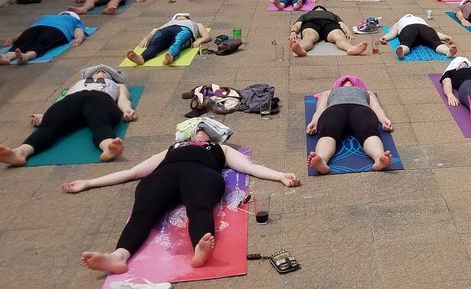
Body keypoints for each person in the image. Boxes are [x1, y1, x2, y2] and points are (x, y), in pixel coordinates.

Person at [63, 123, 300, 273]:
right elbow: (133, 172)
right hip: (166, 173)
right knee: (143, 211)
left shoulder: (221, 149)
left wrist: (280, 176)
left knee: (199, 208)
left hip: (201, 174)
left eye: (205, 129)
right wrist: (88, 183)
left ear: (213, 136)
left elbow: (249, 167)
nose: (200, 131)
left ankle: (199, 249)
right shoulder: (172, 148)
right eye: (197, 128)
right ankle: (119, 256)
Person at [0, 65, 136, 166]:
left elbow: (123, 98)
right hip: (72, 99)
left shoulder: (117, 85)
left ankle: (107, 146)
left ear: (111, 76)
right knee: (49, 125)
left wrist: (127, 110)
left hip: (100, 99)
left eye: (105, 71)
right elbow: (62, 100)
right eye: (97, 71)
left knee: (100, 122)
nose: (101, 72)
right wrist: (45, 116)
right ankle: (20, 152)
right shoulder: (77, 84)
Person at [306, 76, 394, 174]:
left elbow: (376, 107)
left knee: (369, 132)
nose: (347, 80)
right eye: (343, 80)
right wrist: (314, 121)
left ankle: (379, 158)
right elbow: (320, 109)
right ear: (337, 85)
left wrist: (383, 119)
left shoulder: (368, 92)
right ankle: (321, 160)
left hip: (360, 109)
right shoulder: (327, 92)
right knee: (328, 132)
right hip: (335, 109)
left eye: (351, 80)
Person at [0, 11, 88, 65]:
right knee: (42, 43)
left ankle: (7, 56)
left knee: (23, 41)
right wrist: (79, 39)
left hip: (36, 28)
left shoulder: (47, 16)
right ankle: (26, 56)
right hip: (58, 30)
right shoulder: (75, 20)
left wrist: (13, 39)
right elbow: (78, 31)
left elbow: (26, 31)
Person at [126, 13, 212, 66]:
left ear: (188, 18)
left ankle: (171, 55)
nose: (181, 17)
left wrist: (199, 41)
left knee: (178, 41)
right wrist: (146, 38)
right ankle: (141, 58)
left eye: (183, 16)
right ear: (175, 18)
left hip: (184, 29)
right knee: (155, 43)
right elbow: (154, 32)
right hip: (166, 30)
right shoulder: (168, 23)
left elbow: (207, 36)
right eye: (179, 16)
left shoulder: (195, 24)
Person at [289, 6, 368, 56]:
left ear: (324, 10)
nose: (319, 8)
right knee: (309, 35)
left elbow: (342, 24)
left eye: (321, 8)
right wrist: (293, 32)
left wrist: (348, 31)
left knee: (339, 35)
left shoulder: (332, 14)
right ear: (314, 10)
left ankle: (351, 49)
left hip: (329, 23)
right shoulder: (306, 15)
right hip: (312, 23)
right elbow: (297, 25)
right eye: (317, 8)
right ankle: (301, 49)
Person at [380, 13, 457, 59]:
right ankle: (447, 51)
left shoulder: (399, 22)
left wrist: (385, 38)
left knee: (406, 42)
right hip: (423, 28)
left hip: (409, 28)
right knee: (435, 41)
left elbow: (392, 33)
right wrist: (444, 37)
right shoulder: (420, 19)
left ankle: (402, 51)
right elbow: (434, 34)